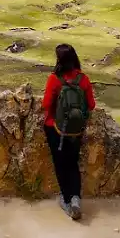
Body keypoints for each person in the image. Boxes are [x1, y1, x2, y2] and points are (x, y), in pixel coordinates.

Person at [42, 44, 95, 221]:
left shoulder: (54, 80)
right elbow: (92, 105)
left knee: (61, 165)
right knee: (72, 164)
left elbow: (46, 105)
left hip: (54, 128)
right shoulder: (83, 79)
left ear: (59, 60)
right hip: (76, 131)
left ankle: (66, 201)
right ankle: (76, 199)